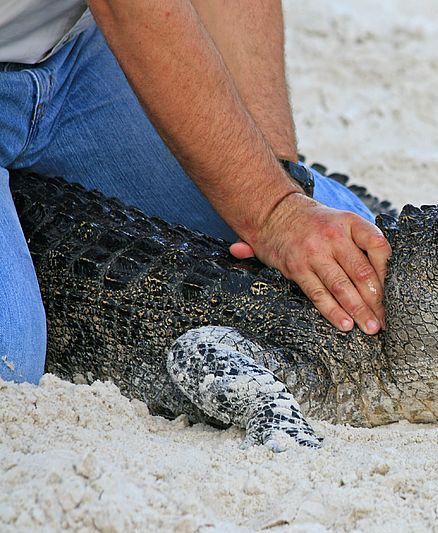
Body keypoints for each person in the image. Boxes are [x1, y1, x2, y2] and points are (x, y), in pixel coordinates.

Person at [0, 0, 391, 385]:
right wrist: (273, 212)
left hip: (74, 53)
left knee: (359, 249)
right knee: (11, 364)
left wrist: (282, 181)